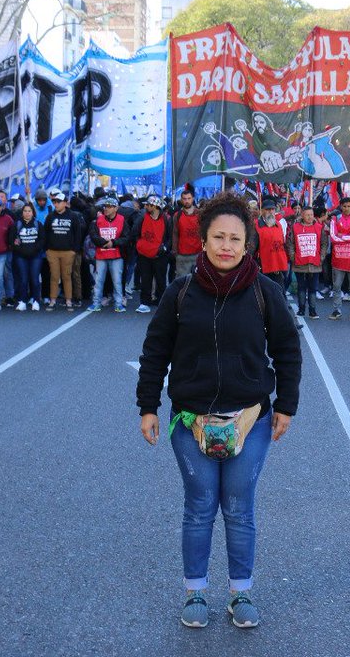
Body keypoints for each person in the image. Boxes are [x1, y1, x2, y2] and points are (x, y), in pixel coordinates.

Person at [136, 191, 301, 630]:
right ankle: (195, 593)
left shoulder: (266, 292)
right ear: (203, 240)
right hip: (190, 422)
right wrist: (148, 406)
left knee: (238, 507)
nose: (226, 246)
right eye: (218, 237)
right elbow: (155, 351)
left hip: (251, 420)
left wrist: (286, 405)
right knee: (200, 505)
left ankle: (240, 593)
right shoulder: (180, 292)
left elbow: (287, 350)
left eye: (235, 238)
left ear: (248, 244)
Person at [42, 191, 84, 311]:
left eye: (59, 202)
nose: (56, 204)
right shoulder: (50, 216)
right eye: (55, 202)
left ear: (65, 203)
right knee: (54, 276)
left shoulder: (73, 216)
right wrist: (47, 249)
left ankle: (68, 300)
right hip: (53, 252)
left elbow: (78, 234)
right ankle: (53, 300)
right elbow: (45, 233)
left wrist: (74, 250)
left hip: (68, 252)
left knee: (67, 276)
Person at [89, 196, 131, 313]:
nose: (106, 209)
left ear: (116, 208)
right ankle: (96, 303)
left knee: (117, 281)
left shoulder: (122, 220)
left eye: (109, 207)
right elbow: (93, 235)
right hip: (101, 255)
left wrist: (113, 243)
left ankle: (118, 304)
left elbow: (126, 237)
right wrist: (104, 242)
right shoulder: (98, 220)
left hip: (116, 255)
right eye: (105, 206)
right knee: (98, 281)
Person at [286, 204, 328, 318]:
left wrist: (321, 257)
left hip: (315, 263)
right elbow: (290, 243)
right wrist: (293, 257)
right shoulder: (295, 227)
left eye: (311, 214)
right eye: (307, 215)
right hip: (299, 263)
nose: (310, 217)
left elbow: (324, 243)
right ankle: (301, 309)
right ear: (302, 215)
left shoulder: (319, 227)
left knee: (313, 288)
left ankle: (312, 310)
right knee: (301, 287)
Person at [328, 196, 350, 320]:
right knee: (336, 286)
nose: (347, 208)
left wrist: (342, 235)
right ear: (341, 207)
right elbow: (333, 237)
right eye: (344, 206)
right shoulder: (335, 219)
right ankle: (336, 310)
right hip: (338, 260)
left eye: (349, 206)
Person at [134, 195, 170, 314]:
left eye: (148, 205)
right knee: (145, 279)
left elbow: (170, 237)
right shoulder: (142, 217)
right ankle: (144, 303)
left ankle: (161, 302)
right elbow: (135, 232)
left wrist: (164, 248)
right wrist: (140, 245)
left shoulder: (166, 219)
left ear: (155, 206)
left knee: (161, 280)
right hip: (144, 254)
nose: (146, 206)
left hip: (160, 256)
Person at [11, 203, 44, 311]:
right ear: (22, 212)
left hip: (36, 256)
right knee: (23, 279)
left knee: (34, 279)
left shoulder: (38, 224)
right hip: (20, 256)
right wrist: (20, 249)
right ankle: (22, 301)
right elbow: (11, 240)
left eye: (29, 211)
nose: (27, 213)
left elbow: (42, 240)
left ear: (33, 212)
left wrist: (35, 249)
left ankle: (36, 301)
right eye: (25, 211)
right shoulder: (17, 224)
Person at [254, 198, 289, 290]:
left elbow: (282, 243)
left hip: (278, 265)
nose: (270, 212)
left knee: (280, 292)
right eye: (267, 209)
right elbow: (252, 249)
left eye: (272, 209)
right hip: (263, 267)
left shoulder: (278, 225)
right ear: (262, 211)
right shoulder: (256, 226)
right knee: (265, 293)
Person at [171, 190, 202, 278]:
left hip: (198, 253)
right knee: (182, 281)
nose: (187, 201)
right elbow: (175, 233)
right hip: (182, 255)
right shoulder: (177, 215)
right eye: (184, 199)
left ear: (193, 199)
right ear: (181, 200)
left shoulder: (200, 214)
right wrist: (175, 251)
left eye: (189, 198)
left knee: (198, 280)